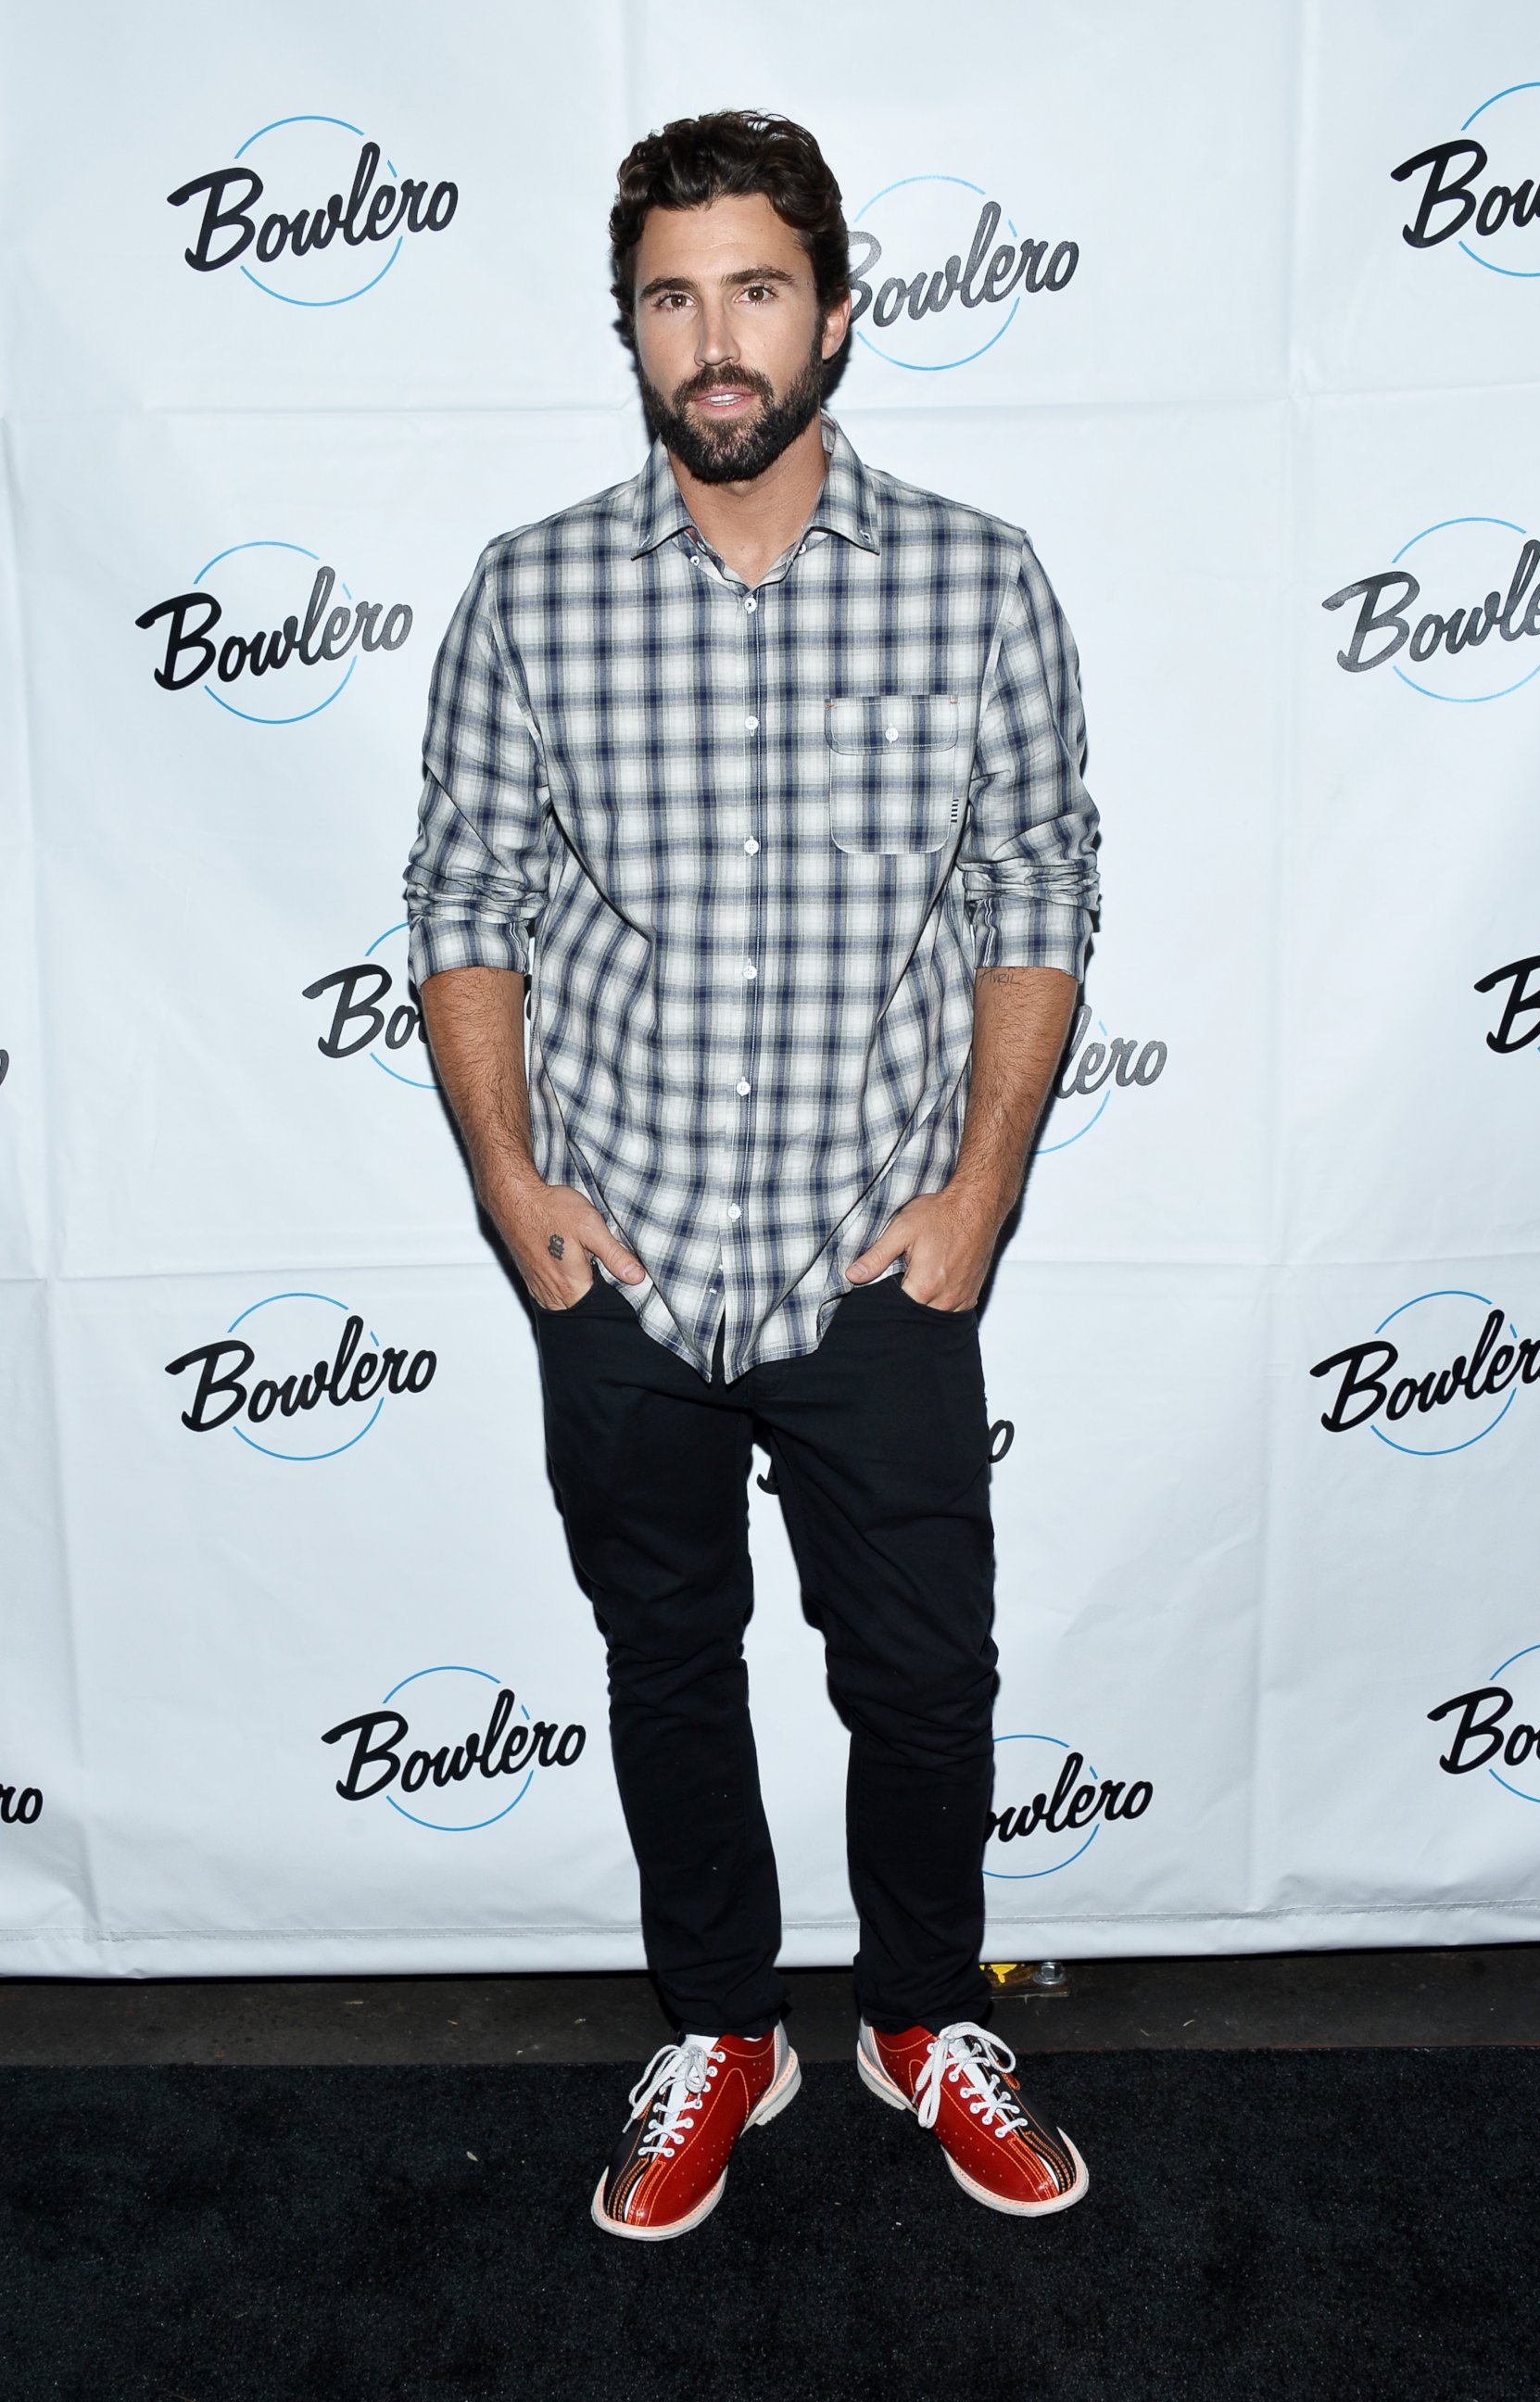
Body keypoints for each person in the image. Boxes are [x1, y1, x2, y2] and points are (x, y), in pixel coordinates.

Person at [404, 108, 1100, 2241]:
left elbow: (1037, 896)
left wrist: (977, 1200)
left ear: (836, 310)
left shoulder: (980, 581)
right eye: (672, 297)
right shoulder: (531, 594)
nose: (716, 341)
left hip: (877, 1262)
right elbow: (462, 902)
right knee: (665, 1661)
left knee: (922, 1676)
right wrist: (517, 1188)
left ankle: (914, 2014)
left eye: (757, 289)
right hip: (617, 1260)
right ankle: (719, 2023)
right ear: (627, 327)